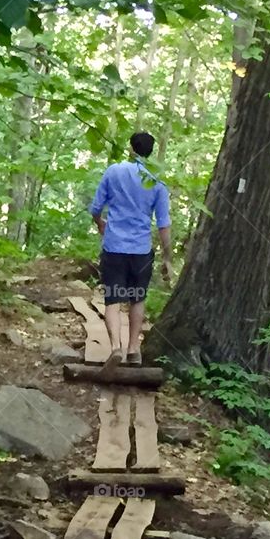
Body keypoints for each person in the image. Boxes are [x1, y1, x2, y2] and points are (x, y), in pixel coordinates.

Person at [88, 131, 172, 374]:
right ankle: (134, 348)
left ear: (131, 148)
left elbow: (95, 207)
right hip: (141, 249)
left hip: (114, 246)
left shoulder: (113, 171)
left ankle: (115, 346)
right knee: (138, 297)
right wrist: (167, 258)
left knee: (112, 299)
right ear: (151, 152)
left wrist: (100, 223)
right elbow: (163, 224)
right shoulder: (156, 181)